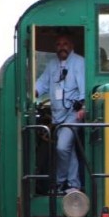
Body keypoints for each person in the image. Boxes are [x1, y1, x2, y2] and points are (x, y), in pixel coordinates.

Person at [35, 32, 86, 193]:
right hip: (57, 114)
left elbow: (84, 87)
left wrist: (83, 107)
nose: (61, 47)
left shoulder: (79, 62)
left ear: (71, 46)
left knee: (62, 147)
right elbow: (42, 84)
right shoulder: (52, 65)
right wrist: (33, 91)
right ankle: (73, 184)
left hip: (73, 112)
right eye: (58, 45)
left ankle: (59, 181)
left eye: (65, 44)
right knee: (67, 150)